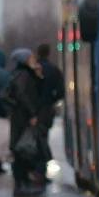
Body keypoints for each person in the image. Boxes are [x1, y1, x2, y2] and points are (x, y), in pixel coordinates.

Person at [6, 48, 47, 196]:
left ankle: (23, 183)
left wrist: (39, 75)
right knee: (21, 151)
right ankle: (21, 184)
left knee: (22, 150)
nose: (33, 61)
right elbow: (22, 94)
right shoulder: (23, 74)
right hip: (22, 117)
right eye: (30, 59)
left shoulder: (22, 73)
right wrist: (32, 113)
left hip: (21, 116)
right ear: (24, 60)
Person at [35, 43, 65, 180]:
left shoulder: (34, 69)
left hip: (33, 110)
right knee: (43, 136)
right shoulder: (54, 70)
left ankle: (38, 169)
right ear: (48, 53)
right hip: (47, 109)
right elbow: (61, 91)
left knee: (34, 139)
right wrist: (52, 99)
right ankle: (42, 169)